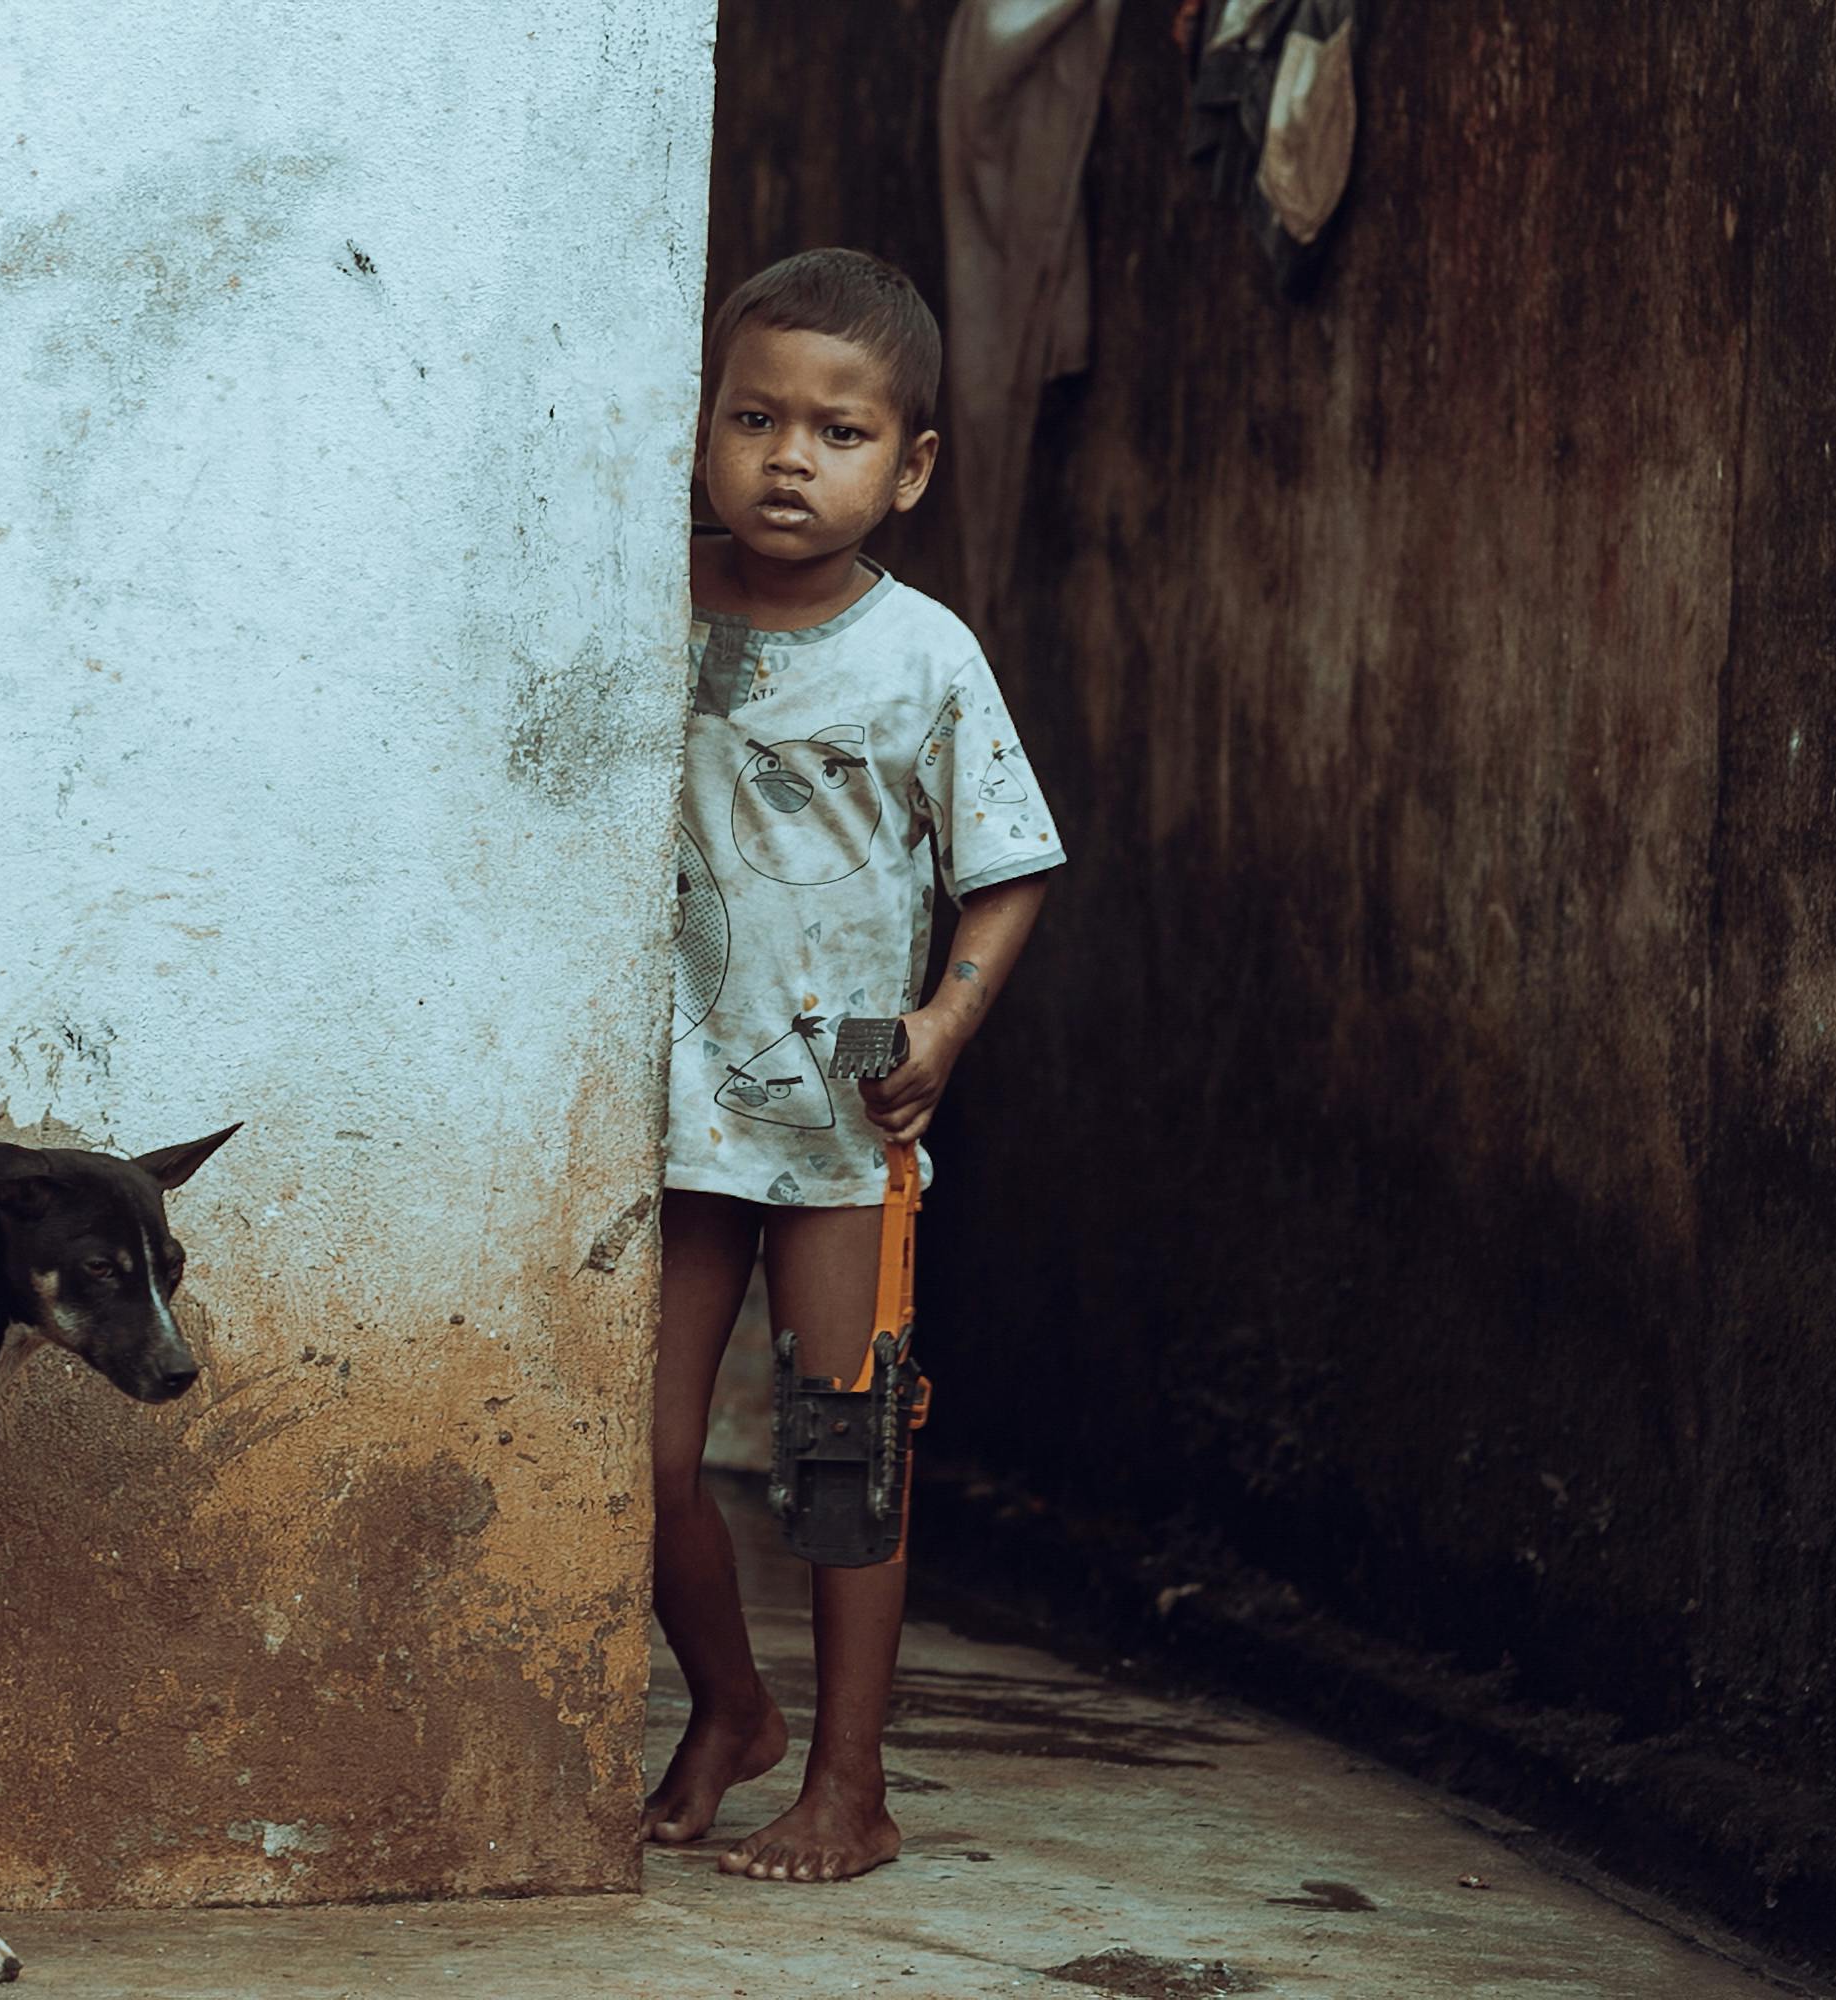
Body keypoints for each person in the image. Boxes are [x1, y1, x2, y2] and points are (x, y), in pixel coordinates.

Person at [648, 247, 1062, 1882]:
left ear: (912, 467)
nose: (789, 460)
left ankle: (850, 1786)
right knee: (648, 1459)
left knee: (841, 1456)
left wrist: (949, 1025)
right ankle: (729, 1706)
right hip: (669, 1111)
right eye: (754, 419)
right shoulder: (647, 600)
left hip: (841, 1118)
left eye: (837, 432)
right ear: (701, 429)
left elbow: (1009, 865)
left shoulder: (925, 658)